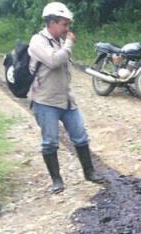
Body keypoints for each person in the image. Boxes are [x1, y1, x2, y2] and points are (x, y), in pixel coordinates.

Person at [29, 2, 103, 194]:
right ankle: (56, 180)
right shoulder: (38, 41)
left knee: (81, 137)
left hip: (67, 100)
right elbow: (54, 61)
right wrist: (69, 43)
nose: (67, 28)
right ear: (51, 23)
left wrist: (65, 43)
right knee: (50, 142)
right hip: (46, 102)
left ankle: (90, 172)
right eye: (64, 24)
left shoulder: (59, 41)